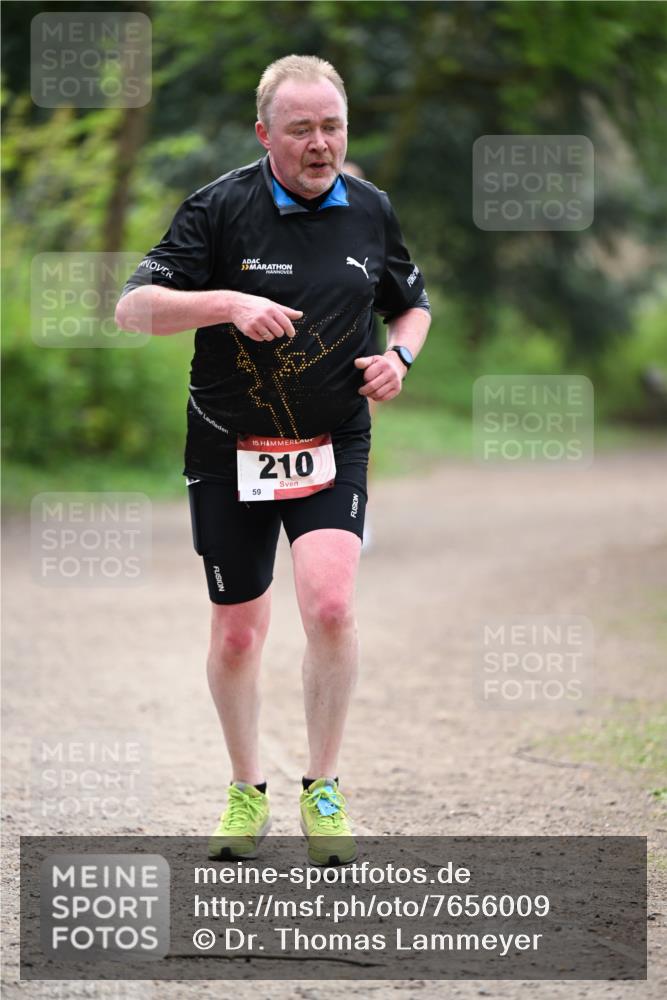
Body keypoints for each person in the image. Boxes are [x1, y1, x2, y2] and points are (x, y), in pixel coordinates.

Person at [115, 54, 431, 866]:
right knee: (237, 637)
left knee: (329, 607)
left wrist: (399, 359)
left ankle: (322, 788)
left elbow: (410, 304)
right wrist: (226, 302)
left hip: (331, 440)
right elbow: (133, 307)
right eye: (302, 130)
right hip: (227, 446)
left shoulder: (370, 209)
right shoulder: (218, 210)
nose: (320, 143)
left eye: (332, 127)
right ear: (265, 134)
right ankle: (244, 790)